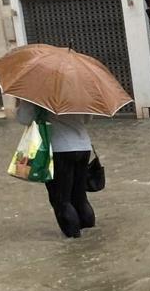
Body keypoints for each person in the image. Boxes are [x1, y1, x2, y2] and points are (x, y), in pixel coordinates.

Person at [15, 99, 94, 238]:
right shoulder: (78, 90)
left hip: (59, 149)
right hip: (83, 146)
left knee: (61, 200)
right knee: (80, 197)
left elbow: (24, 119)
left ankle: (74, 242)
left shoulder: (37, 93)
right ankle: (90, 237)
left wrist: (21, 103)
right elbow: (87, 119)